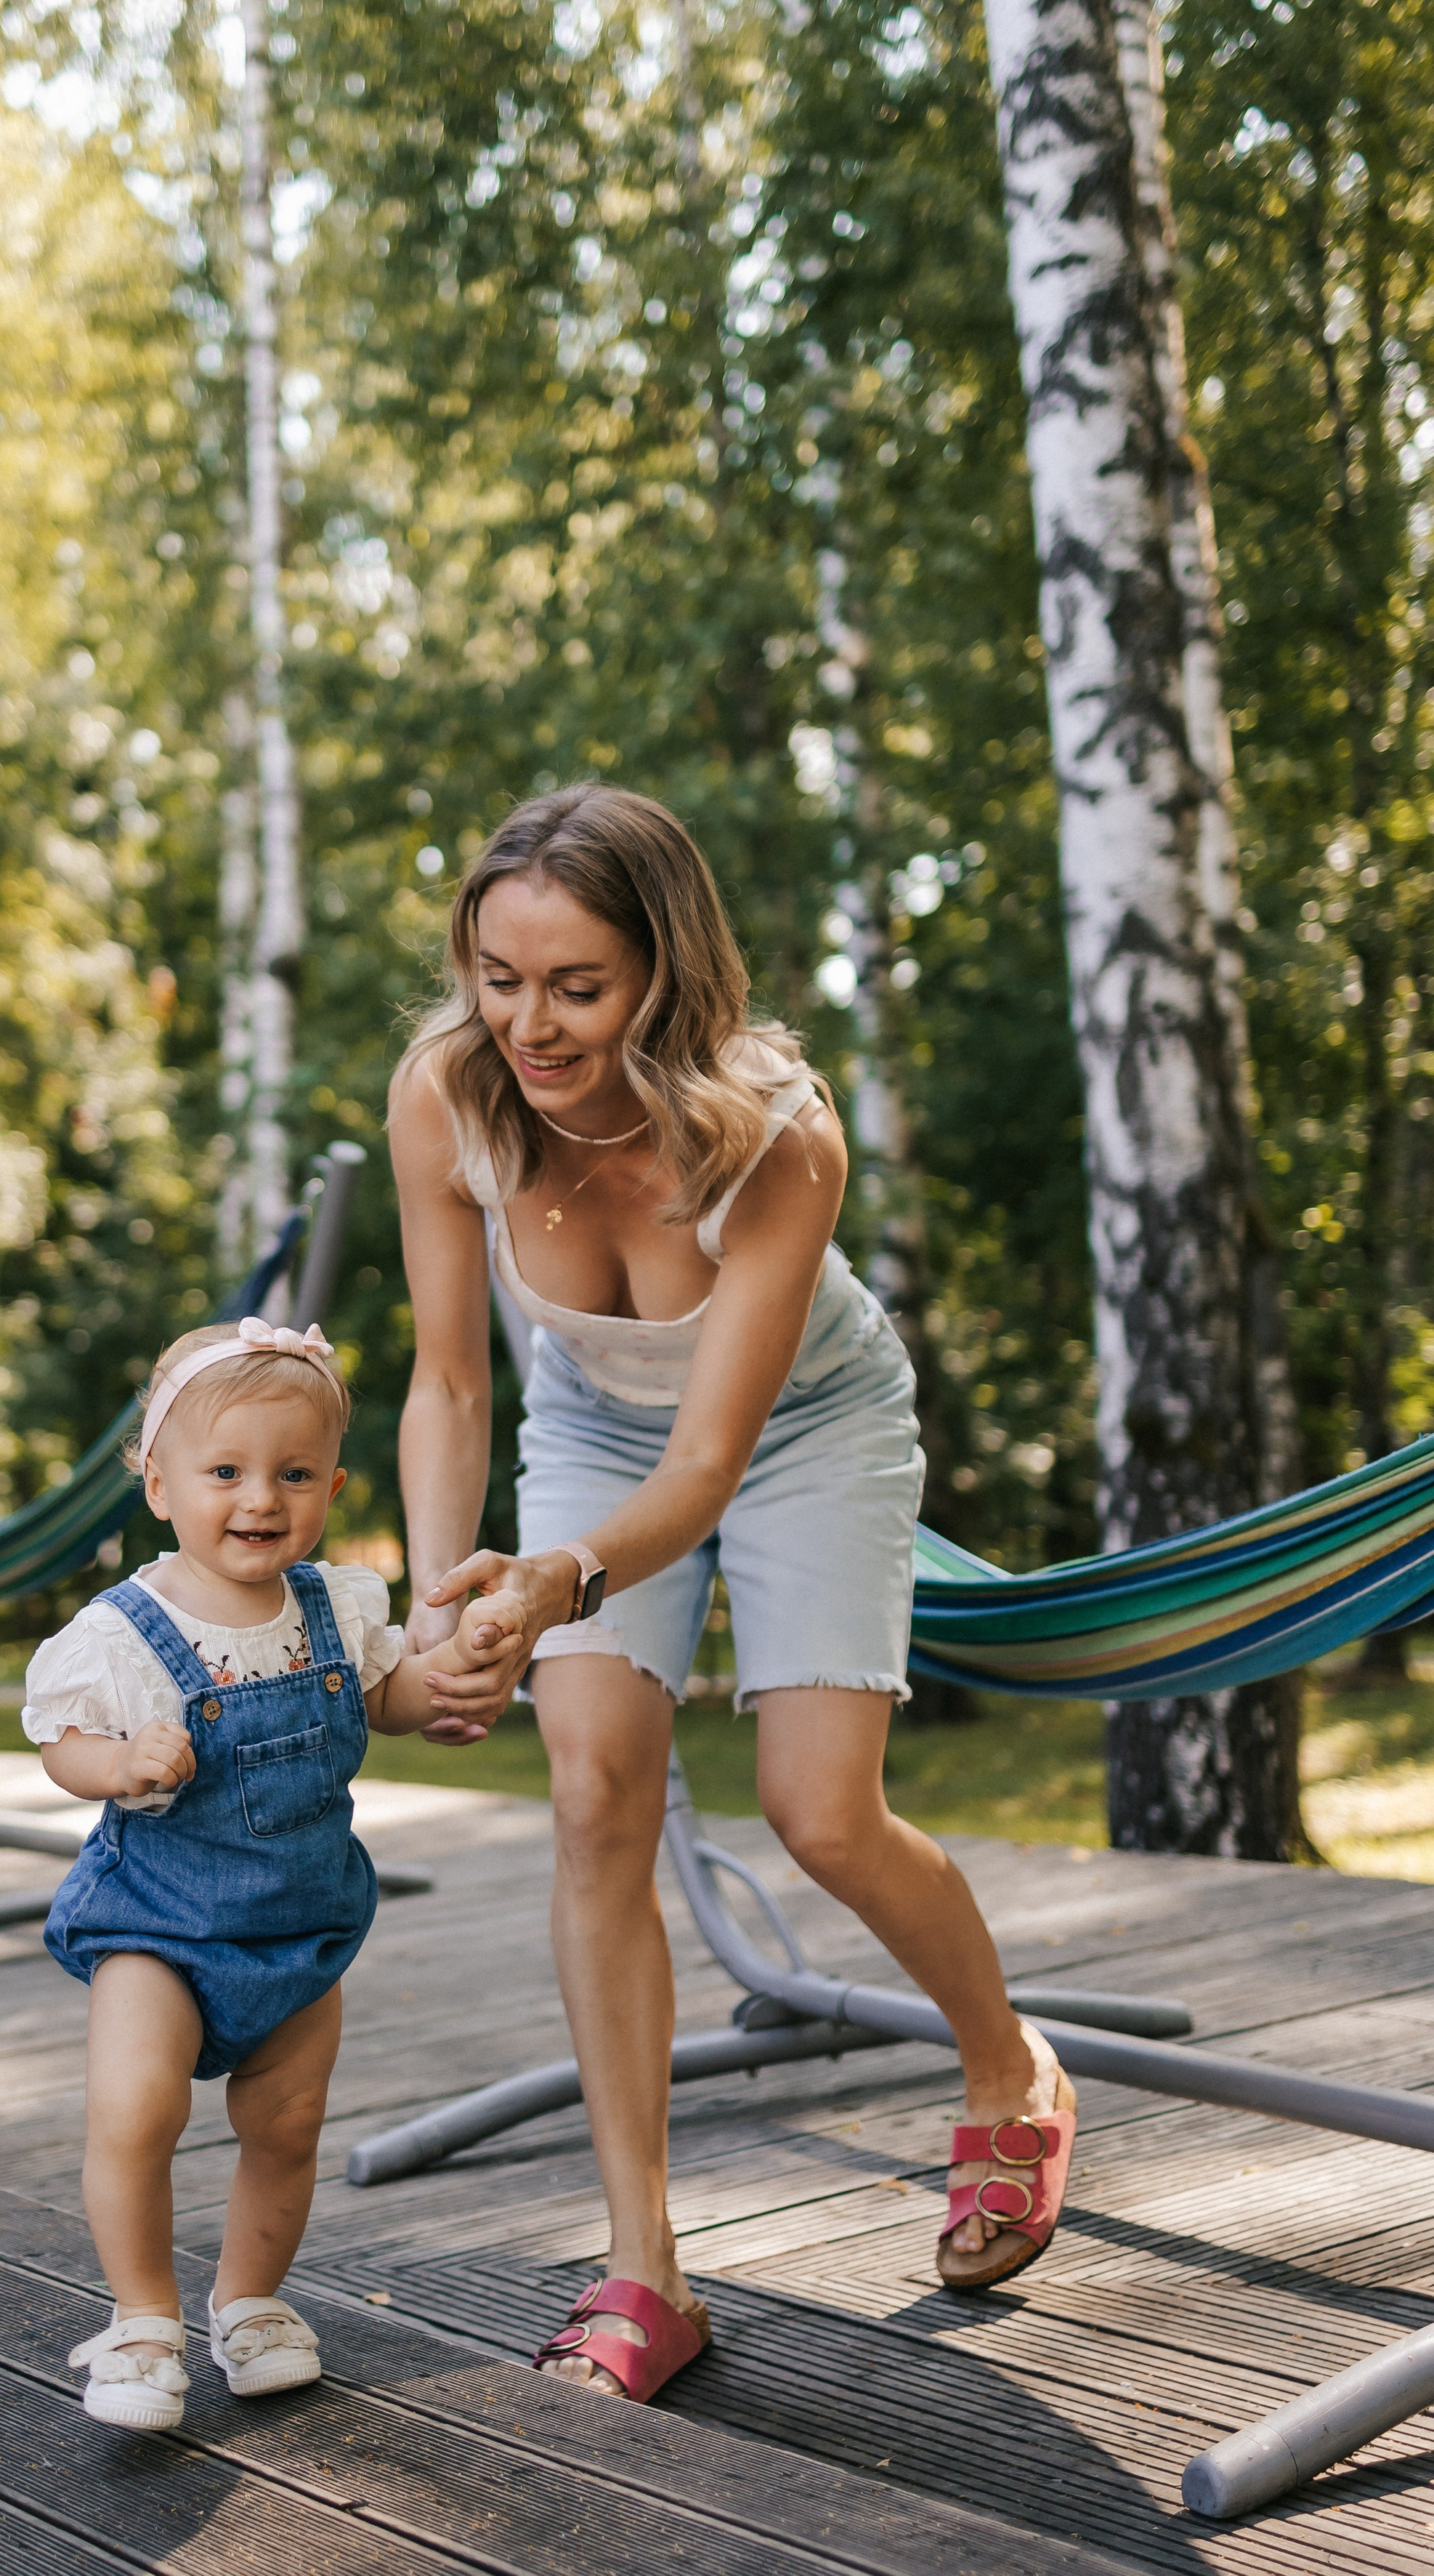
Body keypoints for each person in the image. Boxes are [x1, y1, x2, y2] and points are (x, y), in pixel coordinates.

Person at [388, 784, 1076, 2405]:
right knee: (590, 1794)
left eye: (577, 987)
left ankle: (1007, 2067)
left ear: (666, 976)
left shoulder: (778, 1136)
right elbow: (447, 1381)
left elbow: (705, 1467)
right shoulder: (449, 1097)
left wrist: (553, 1577)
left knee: (817, 1812)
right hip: (581, 1421)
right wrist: (442, 1599)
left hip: (796, 1432)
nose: (527, 1026)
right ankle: (642, 2271)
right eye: (498, 976)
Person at [24, 1315, 521, 2431]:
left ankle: (248, 2302)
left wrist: (442, 1687)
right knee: (135, 2112)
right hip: (157, 1926)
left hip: (299, 1931)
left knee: (287, 2124)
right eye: (226, 1472)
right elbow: (61, 1746)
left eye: (294, 1474)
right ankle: (143, 2322)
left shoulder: (336, 1610)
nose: (261, 1498)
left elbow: (382, 1698)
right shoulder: (121, 1635)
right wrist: (119, 1762)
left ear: (333, 1486)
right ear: (158, 1484)